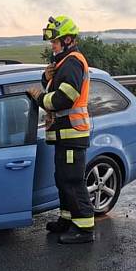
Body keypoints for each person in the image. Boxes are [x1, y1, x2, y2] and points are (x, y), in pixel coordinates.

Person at [28, 15, 95, 244]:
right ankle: (67, 219)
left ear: (67, 40)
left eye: (55, 41)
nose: (52, 45)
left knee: (72, 180)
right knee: (62, 178)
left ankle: (84, 228)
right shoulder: (63, 63)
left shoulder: (73, 62)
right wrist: (45, 78)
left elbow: (65, 98)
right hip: (63, 134)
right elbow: (56, 86)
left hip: (72, 134)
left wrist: (40, 98)